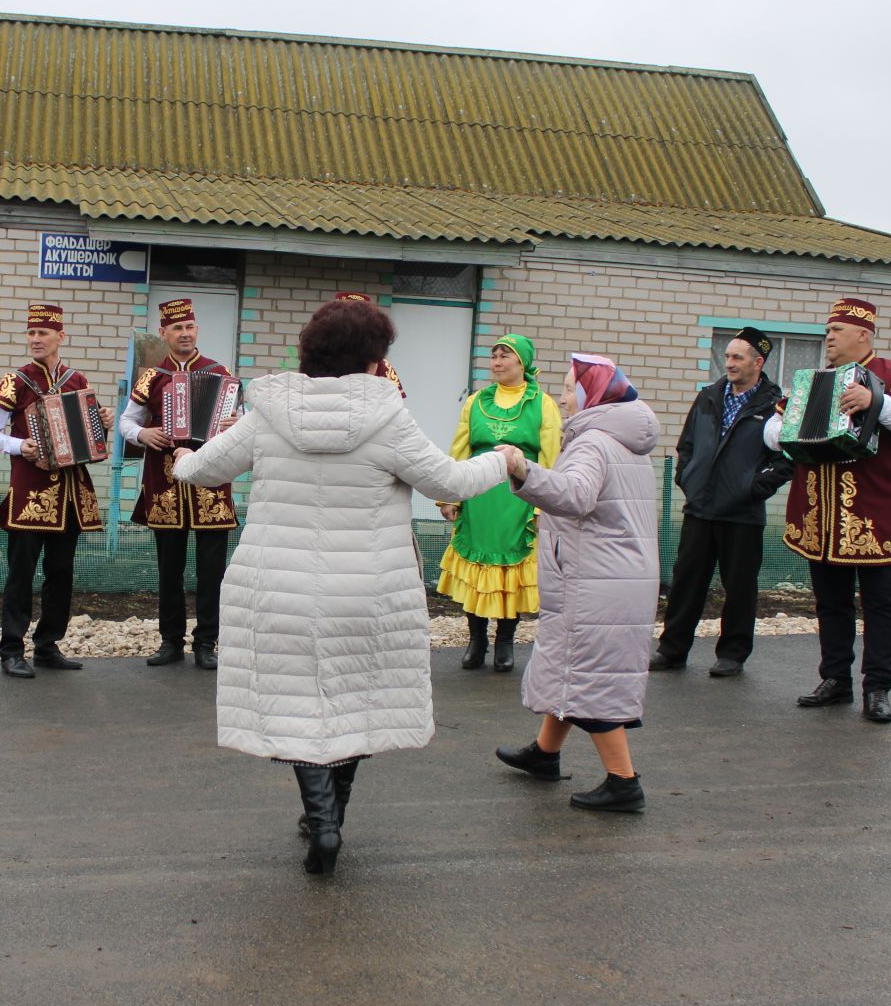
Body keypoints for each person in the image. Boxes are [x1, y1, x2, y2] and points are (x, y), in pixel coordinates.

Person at [173, 297, 513, 875]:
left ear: (311, 352)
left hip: (277, 593)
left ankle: (322, 823)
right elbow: (450, 480)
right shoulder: (389, 419)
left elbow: (205, 471)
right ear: (375, 359)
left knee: (300, 710)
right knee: (357, 706)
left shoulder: (267, 413)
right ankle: (335, 817)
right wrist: (502, 459)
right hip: (367, 595)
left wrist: (182, 458)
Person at [495, 354, 660, 813]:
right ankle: (544, 754)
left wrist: (522, 469)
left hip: (596, 580)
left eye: (569, 388)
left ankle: (624, 783)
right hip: (616, 576)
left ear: (591, 395)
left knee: (591, 683)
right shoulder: (623, 440)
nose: (563, 397)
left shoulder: (593, 443)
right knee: (573, 669)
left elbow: (575, 496)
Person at [766, 297, 891, 724]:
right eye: (827, 331)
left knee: (882, 604)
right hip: (821, 517)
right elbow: (771, 433)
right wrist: (787, 424)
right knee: (831, 603)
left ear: (863, 334)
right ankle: (835, 679)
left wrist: (873, 400)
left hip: (876, 516)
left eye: (835, 331)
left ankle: (877, 687)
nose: (828, 338)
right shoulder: (811, 381)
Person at [651, 326, 793, 677]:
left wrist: (753, 488)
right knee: (687, 581)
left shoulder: (775, 405)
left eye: (737, 358)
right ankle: (672, 650)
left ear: (758, 363)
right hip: (700, 507)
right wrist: (688, 478)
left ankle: (732, 654)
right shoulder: (709, 396)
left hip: (743, 514)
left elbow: (788, 458)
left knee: (740, 587)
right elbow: (686, 445)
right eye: (727, 356)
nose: (728, 363)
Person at [0, 303, 108, 679]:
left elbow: (91, 437)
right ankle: (11, 649)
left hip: (69, 495)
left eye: (43, 334)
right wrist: (21, 446)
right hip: (30, 494)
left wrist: (102, 421)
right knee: (20, 572)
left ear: (60, 337)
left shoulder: (77, 379)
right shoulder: (16, 381)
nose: (35, 340)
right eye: (31, 333)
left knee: (61, 572)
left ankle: (48, 645)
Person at [120, 297, 238, 670]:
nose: (184, 334)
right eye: (176, 329)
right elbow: (126, 421)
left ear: (196, 330)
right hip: (164, 482)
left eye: (189, 327)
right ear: (164, 333)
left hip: (211, 484)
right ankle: (170, 641)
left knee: (212, 571)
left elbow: (242, 418)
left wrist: (235, 425)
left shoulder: (219, 371)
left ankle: (206, 642)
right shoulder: (151, 377)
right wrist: (143, 434)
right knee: (168, 570)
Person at [435, 334, 562, 672]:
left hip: (518, 498)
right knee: (477, 572)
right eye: (494, 356)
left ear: (523, 363)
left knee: (512, 573)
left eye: (506, 356)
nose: (497, 362)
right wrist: (449, 495)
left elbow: (550, 456)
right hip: (479, 498)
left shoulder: (542, 403)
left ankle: (505, 641)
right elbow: (459, 447)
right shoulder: (476, 402)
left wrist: (544, 504)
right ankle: (476, 640)